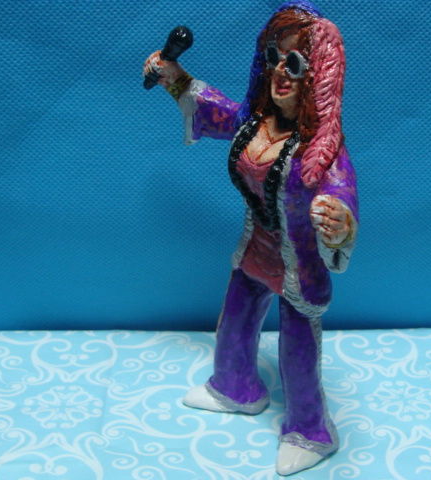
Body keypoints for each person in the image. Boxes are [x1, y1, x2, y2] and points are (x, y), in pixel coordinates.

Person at [143, 1, 358, 475]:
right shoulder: (253, 122)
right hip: (255, 250)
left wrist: (341, 222)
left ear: (319, 76)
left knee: (297, 352)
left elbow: (341, 192)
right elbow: (216, 111)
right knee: (235, 324)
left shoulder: (322, 150)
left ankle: (310, 431)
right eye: (273, 58)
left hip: (299, 267)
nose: (280, 71)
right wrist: (173, 75)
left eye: (295, 62)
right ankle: (235, 386)